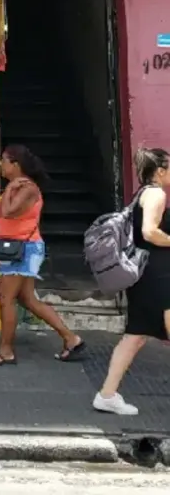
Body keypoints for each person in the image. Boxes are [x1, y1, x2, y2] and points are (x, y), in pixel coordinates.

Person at [0, 144, 85, 367]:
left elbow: (8, 211)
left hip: (22, 250)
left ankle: (5, 350)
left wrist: (9, 188)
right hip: (19, 248)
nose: (1, 165)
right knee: (27, 300)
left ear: (15, 164)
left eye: (4, 160)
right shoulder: (21, 187)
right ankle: (71, 338)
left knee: (6, 298)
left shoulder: (26, 188)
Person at [93, 147, 170, 415]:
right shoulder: (157, 194)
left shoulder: (141, 193)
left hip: (143, 275)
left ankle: (107, 395)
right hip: (158, 276)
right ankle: (107, 395)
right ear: (160, 171)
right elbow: (149, 232)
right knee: (135, 336)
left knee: (134, 336)